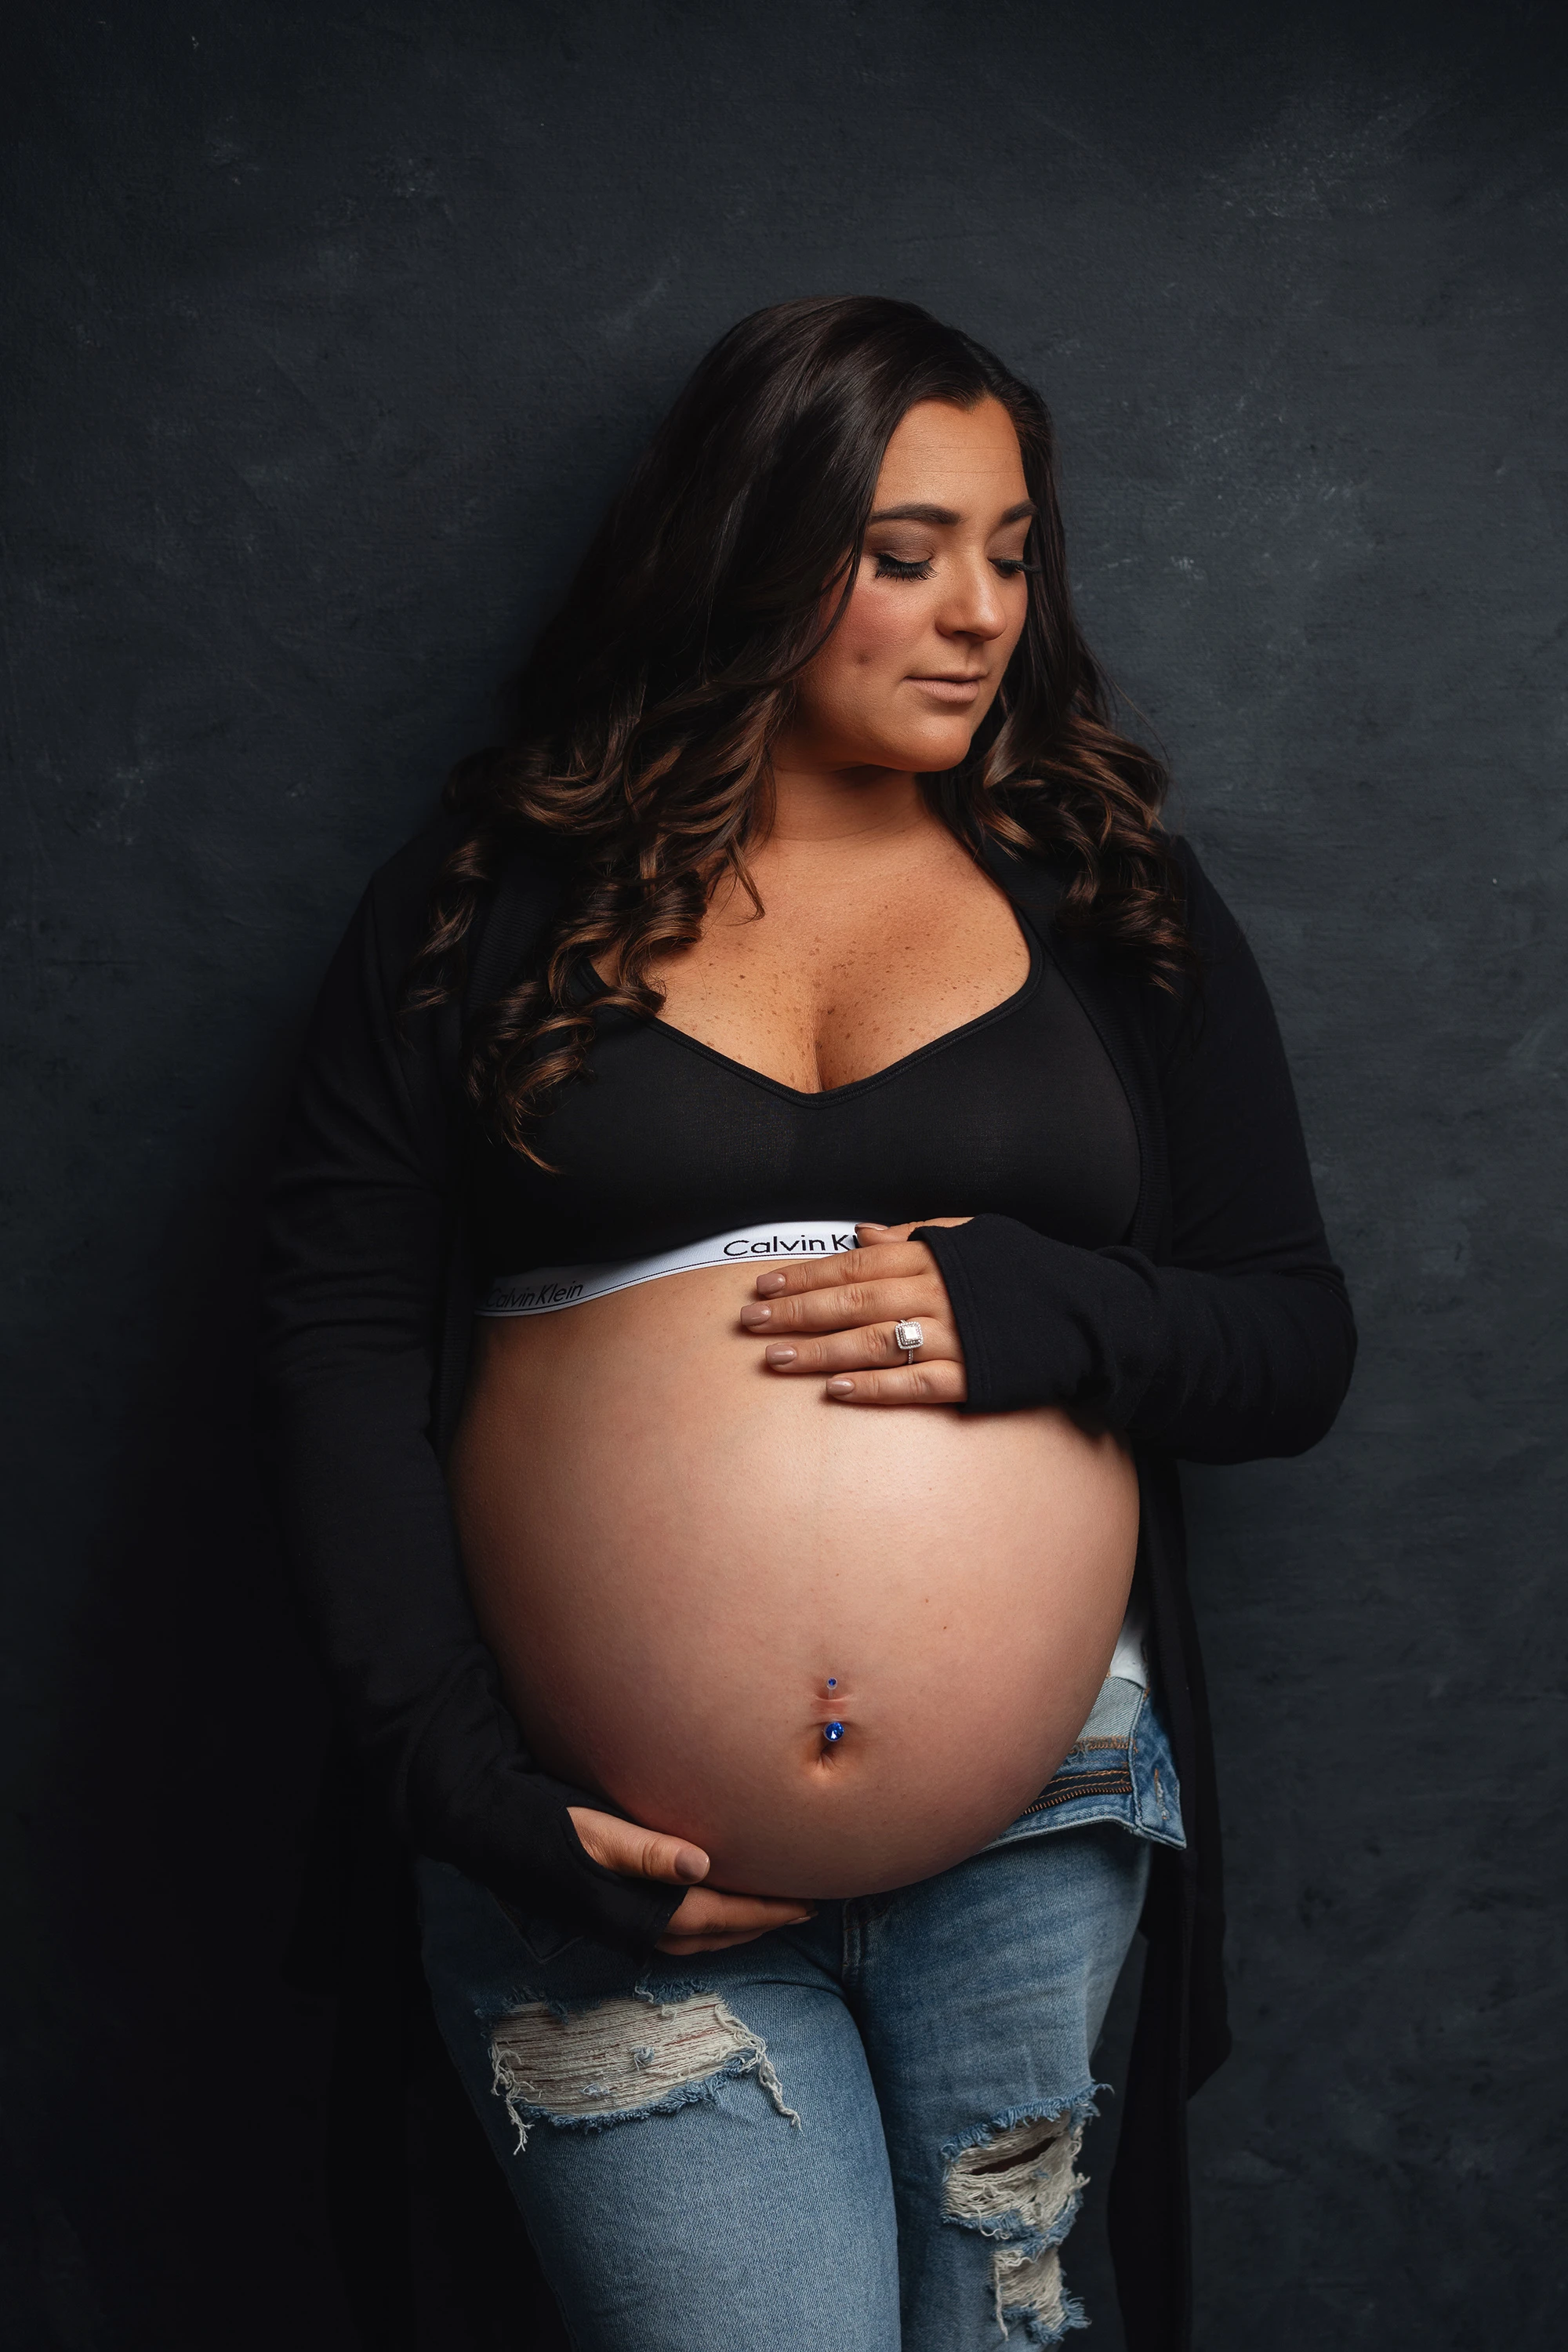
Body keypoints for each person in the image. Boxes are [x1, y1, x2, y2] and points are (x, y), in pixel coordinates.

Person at [261, 296, 1355, 2351]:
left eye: (1012, 553)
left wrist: (1054, 1309)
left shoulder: (1113, 905)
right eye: (904, 553)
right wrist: (458, 1784)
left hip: (1033, 1831)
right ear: (750, 553)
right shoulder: (482, 905)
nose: (981, 614)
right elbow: (331, 1350)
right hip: (596, 1837)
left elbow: (1292, 1342)